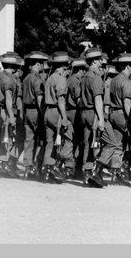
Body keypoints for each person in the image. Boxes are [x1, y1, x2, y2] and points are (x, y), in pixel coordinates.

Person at [102, 54, 131, 187]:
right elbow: (127, 103)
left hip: (113, 113)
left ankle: (115, 172)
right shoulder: (126, 81)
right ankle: (120, 171)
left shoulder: (114, 80)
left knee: (117, 144)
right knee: (128, 143)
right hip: (122, 114)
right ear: (128, 66)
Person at [40, 52, 71, 184]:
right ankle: (56, 168)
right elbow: (61, 100)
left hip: (47, 110)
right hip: (57, 111)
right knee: (61, 141)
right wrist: (64, 117)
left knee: (50, 142)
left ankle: (47, 172)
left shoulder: (50, 78)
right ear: (63, 67)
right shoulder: (60, 79)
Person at [78, 49, 107, 188]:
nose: (102, 61)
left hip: (84, 111)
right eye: (100, 59)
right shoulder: (96, 77)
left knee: (87, 143)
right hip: (93, 113)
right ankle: (92, 172)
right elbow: (98, 100)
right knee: (96, 143)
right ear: (94, 61)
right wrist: (101, 119)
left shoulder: (84, 76)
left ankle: (86, 174)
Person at [19, 51, 49, 180]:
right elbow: (40, 98)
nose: (43, 67)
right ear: (38, 64)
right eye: (42, 64)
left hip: (27, 111)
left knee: (29, 140)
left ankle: (27, 167)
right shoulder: (37, 79)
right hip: (36, 111)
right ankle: (38, 166)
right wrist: (44, 114)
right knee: (41, 140)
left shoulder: (25, 78)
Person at [64, 57, 86, 179]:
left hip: (68, 112)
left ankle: (67, 166)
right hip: (75, 113)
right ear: (80, 70)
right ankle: (72, 167)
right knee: (77, 141)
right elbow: (79, 100)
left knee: (69, 140)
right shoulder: (76, 81)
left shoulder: (68, 79)